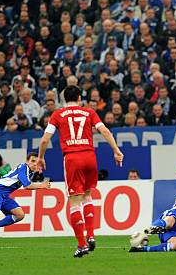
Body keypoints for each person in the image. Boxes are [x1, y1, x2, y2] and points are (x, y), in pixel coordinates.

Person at [36, 85, 124, 258]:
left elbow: (45, 139)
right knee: (87, 195)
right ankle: (91, 234)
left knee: (74, 200)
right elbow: (105, 131)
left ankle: (82, 244)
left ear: (63, 99)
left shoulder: (57, 114)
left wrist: (40, 157)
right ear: (79, 98)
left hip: (72, 158)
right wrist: (116, 150)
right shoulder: (89, 112)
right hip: (90, 156)